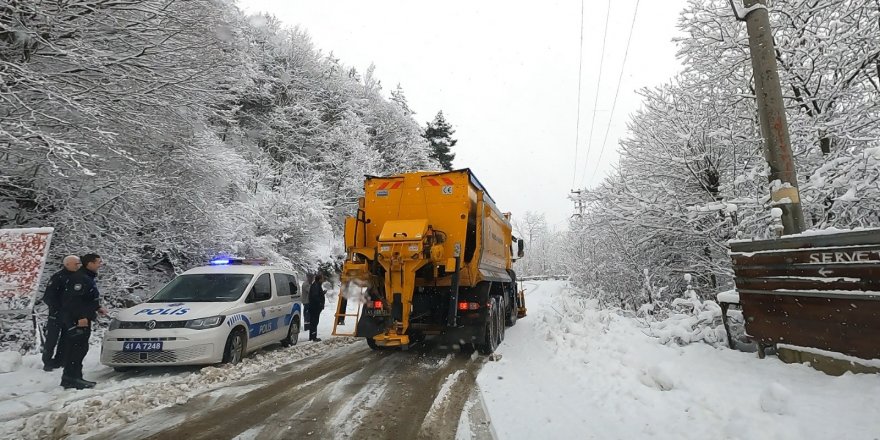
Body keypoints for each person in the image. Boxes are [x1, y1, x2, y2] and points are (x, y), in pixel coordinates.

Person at [59, 253, 108, 389]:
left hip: (84, 317)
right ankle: (71, 378)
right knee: (77, 348)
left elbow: (87, 298)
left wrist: (97, 307)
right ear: (90, 264)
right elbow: (74, 300)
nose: (100, 264)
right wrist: (81, 317)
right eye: (98, 262)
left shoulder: (87, 277)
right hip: (78, 319)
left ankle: (75, 376)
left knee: (80, 348)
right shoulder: (80, 278)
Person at [41, 255, 81, 371]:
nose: (78, 266)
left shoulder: (79, 277)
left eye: (78, 264)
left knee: (66, 338)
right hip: (56, 314)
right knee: (52, 338)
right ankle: (47, 361)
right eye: (75, 264)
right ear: (67, 264)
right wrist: (58, 309)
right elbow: (48, 297)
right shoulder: (58, 277)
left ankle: (61, 359)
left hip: (71, 314)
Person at [308, 274, 325, 342]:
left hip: (314, 307)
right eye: (322, 278)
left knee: (313, 322)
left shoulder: (316, 285)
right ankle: (313, 337)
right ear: (320, 279)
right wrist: (320, 303)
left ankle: (312, 336)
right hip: (315, 307)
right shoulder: (316, 285)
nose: (323, 280)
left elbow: (316, 294)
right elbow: (315, 296)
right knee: (314, 322)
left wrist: (322, 293)